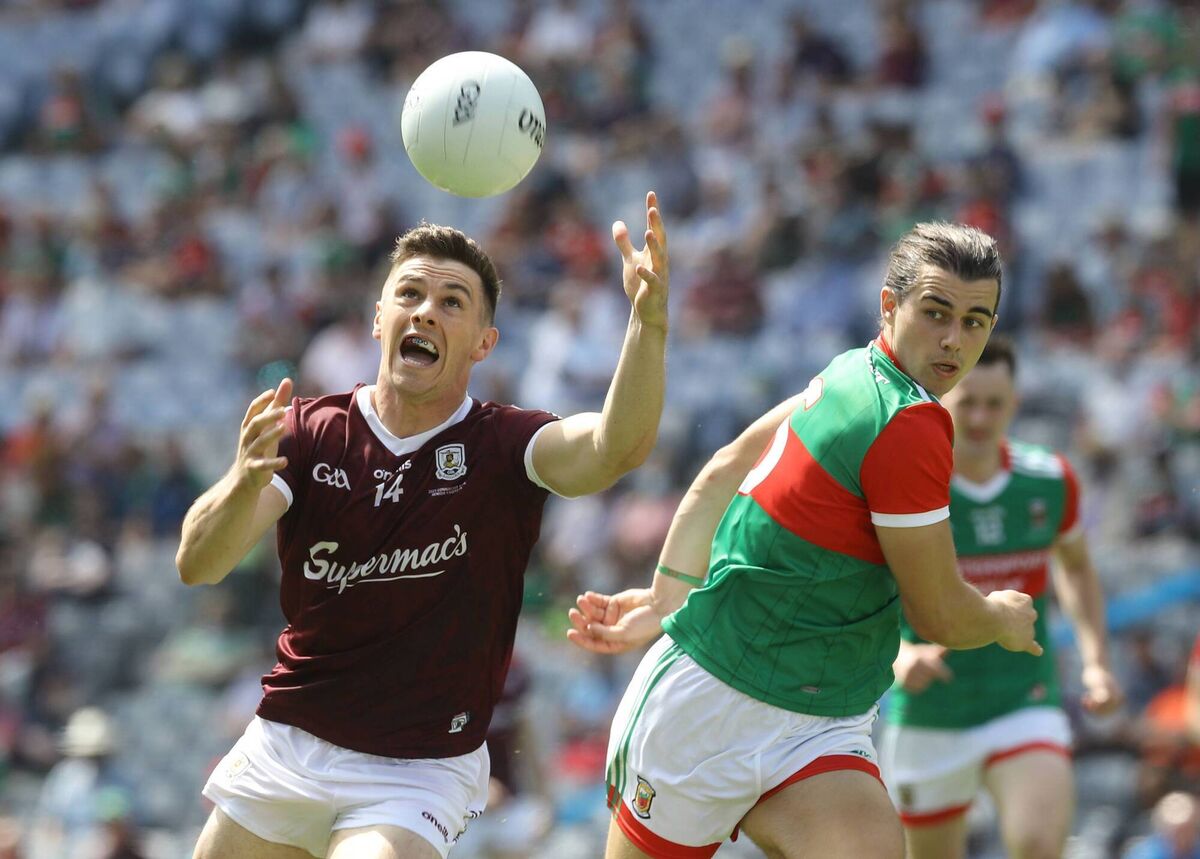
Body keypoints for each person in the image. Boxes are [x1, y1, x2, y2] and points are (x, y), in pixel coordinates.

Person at [176, 192, 670, 859]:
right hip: (291, 737)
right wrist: (240, 481)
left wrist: (648, 323)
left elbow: (615, 449)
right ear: (379, 318)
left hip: (416, 766)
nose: (426, 311)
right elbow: (198, 564)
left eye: (453, 302)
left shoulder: (503, 446)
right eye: (409, 293)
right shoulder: (311, 435)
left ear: (484, 343)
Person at [569, 222, 1040, 859]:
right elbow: (942, 615)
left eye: (977, 321)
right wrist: (1002, 617)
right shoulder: (909, 421)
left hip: (818, 726)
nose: (956, 339)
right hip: (708, 707)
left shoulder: (851, 370)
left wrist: (663, 598)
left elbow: (724, 467)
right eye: (936, 313)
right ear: (888, 305)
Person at [880, 335, 1123, 859]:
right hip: (928, 711)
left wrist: (1096, 664)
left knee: (1037, 844)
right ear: (942, 401)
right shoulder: (905, 484)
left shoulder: (1049, 479)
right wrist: (899, 656)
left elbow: (1076, 568)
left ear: (1014, 404)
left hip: (1023, 699)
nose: (981, 418)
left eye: (995, 404)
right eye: (969, 403)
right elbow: (865, 585)